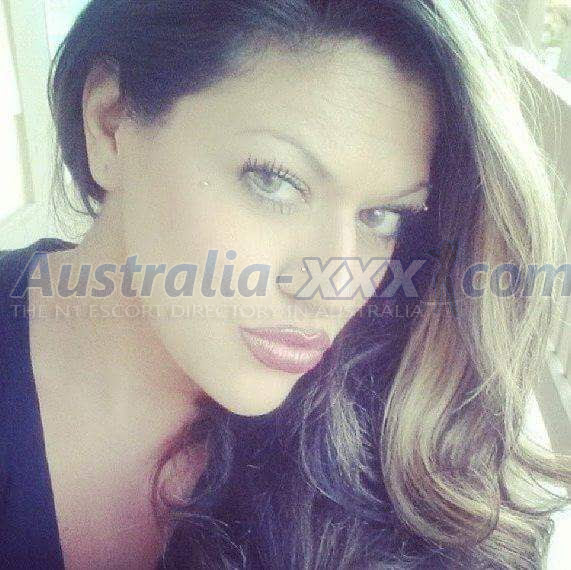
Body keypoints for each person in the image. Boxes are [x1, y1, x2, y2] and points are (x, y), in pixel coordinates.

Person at [1, 1, 570, 568]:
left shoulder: (397, 432)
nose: (335, 288)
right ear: (110, 123)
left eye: (382, 216)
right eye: (274, 181)